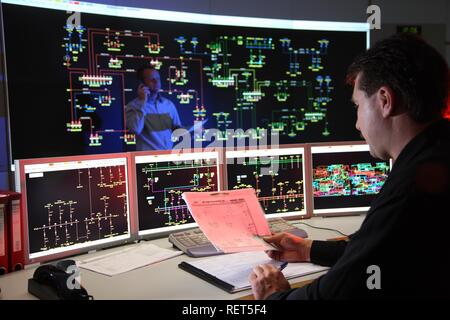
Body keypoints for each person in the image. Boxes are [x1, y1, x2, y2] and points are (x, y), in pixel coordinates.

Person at [249, 33, 450, 299]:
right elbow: (379, 253)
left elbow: (336, 292)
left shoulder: (410, 190)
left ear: (384, 101)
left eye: (357, 105)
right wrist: (309, 249)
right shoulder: (437, 152)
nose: (357, 124)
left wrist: (273, 295)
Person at [125, 65, 182, 150]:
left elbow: (177, 129)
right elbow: (135, 129)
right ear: (142, 84)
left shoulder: (169, 105)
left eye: (158, 79)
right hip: (147, 159)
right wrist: (142, 102)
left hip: (168, 157)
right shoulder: (133, 106)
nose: (156, 82)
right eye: (152, 79)